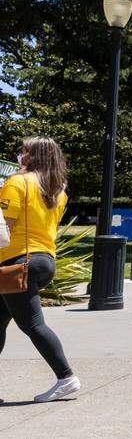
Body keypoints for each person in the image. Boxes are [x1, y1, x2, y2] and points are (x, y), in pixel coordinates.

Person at [0, 137, 79, 403]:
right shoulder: (57, 190)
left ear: (33, 156)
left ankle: (66, 377)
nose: (19, 155)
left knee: (32, 324)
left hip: (17, 263)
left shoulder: (17, 182)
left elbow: (5, 226)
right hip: (43, 260)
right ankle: (65, 378)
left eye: (23, 151)